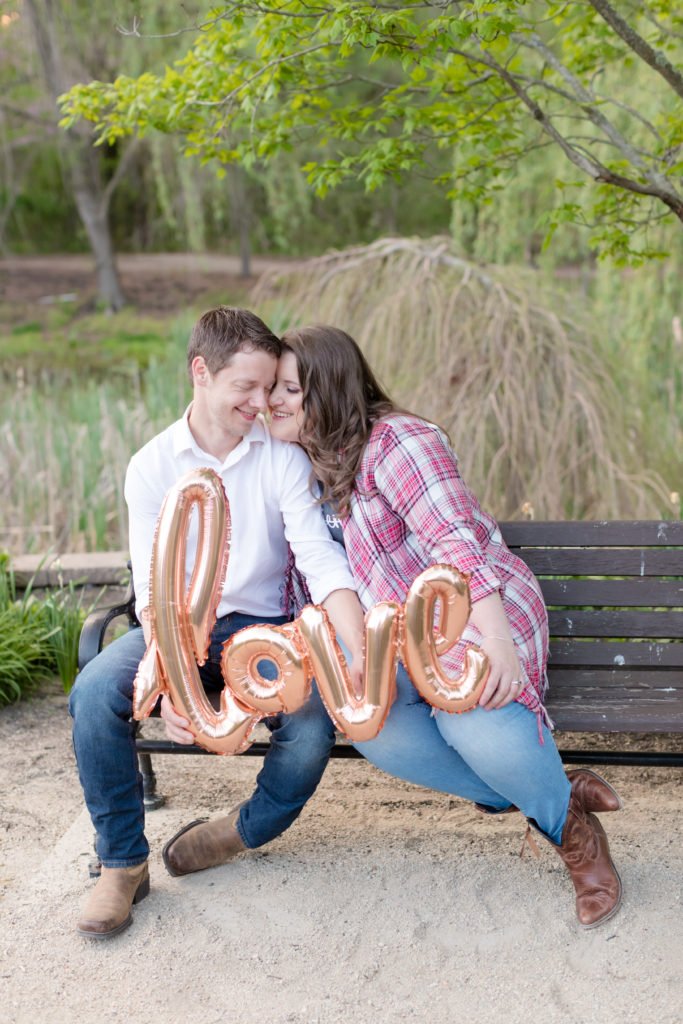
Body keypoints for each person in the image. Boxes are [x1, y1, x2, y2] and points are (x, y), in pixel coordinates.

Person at [267, 324, 623, 930]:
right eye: (272, 387)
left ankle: (575, 840)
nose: (273, 400)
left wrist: (497, 641)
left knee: (471, 722)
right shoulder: (306, 465)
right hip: (402, 641)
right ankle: (555, 794)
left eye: (290, 389)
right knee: (375, 728)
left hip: (475, 612)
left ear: (329, 391)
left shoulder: (398, 443)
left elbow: (457, 543)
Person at [69, 307, 365, 940]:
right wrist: (170, 682)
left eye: (269, 387)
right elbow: (154, 592)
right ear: (201, 372)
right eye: (246, 387)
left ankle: (241, 830)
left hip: (263, 632)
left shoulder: (282, 458)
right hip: (174, 630)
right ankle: (121, 863)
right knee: (93, 692)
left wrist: (355, 642)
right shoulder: (151, 465)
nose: (262, 402)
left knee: (312, 723)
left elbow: (318, 556)